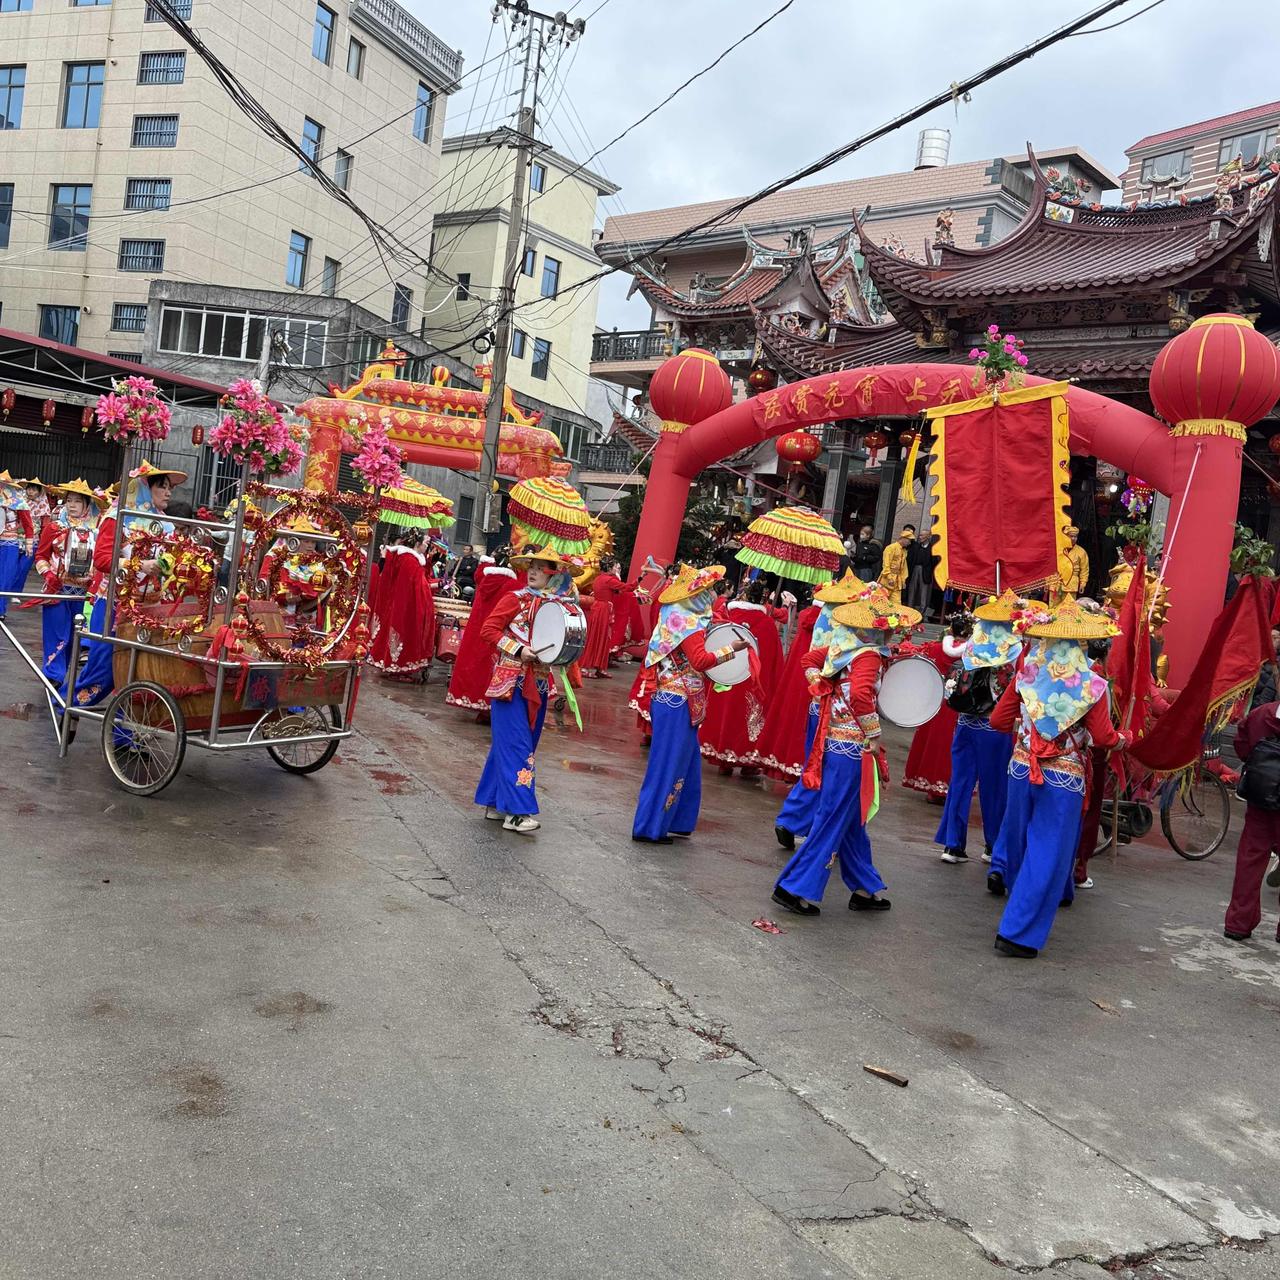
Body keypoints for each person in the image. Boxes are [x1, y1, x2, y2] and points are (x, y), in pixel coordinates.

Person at [987, 601, 1127, 958]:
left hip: (1021, 768)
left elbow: (998, 722)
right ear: (1080, 644)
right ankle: (1018, 931)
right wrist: (1124, 739)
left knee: (1020, 843)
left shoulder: (1026, 677)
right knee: (1048, 852)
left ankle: (1017, 913)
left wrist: (1027, 730)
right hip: (1063, 778)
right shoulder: (1093, 685)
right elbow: (1104, 737)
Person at [772, 587, 921, 915]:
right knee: (834, 816)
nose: (891, 630)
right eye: (888, 626)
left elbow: (809, 660)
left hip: (833, 743)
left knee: (852, 817)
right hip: (851, 747)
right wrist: (874, 732)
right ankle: (794, 886)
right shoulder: (867, 655)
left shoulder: (846, 646)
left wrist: (822, 687)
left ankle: (864, 887)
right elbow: (861, 696)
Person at [631, 563, 750, 844]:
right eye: (708, 591)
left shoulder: (678, 615)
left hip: (676, 699)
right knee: (668, 765)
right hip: (678, 701)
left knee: (684, 763)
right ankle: (649, 827)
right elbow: (701, 661)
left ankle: (678, 820)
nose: (711, 596)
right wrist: (729, 650)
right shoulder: (689, 626)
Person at [474, 546, 577, 834]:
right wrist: (518, 649)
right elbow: (488, 630)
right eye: (530, 565)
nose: (532, 571)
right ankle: (517, 813)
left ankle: (494, 801)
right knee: (518, 746)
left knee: (518, 744)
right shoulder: (514, 599)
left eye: (541, 566)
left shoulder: (558, 607)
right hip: (510, 683)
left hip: (540, 684)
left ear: (555, 573)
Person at [71, 461, 186, 708]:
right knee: (105, 669)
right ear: (144, 487)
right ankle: (70, 707)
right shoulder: (117, 518)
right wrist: (138, 565)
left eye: (170, 488)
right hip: (114, 606)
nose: (168, 493)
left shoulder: (166, 524)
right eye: (162, 487)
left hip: (149, 610)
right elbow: (102, 559)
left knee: (139, 673)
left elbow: (173, 561)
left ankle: (124, 737)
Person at [770, 570, 865, 847]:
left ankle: (797, 820)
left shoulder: (827, 615)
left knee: (816, 763)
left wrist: (818, 686)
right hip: (839, 716)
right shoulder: (852, 631)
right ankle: (803, 824)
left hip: (820, 706)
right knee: (826, 769)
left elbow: (809, 659)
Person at [935, 591, 1022, 865]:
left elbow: (949, 650)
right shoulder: (1013, 647)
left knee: (960, 783)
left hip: (965, 721)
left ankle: (953, 844)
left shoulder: (973, 644)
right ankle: (993, 845)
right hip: (994, 726)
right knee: (994, 787)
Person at [699, 578, 786, 774]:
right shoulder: (767, 623)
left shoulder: (730, 616)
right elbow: (775, 659)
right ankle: (748, 764)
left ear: (744, 595)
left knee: (726, 715)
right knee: (750, 719)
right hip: (754, 681)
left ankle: (723, 759)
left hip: (728, 674)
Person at [29, 479, 101, 686]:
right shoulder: (54, 528)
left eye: (78, 501)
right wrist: (49, 576)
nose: (72, 505)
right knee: (57, 634)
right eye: (69, 500)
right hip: (57, 590)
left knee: (72, 637)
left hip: (83, 594)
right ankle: (53, 675)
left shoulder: (95, 532)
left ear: (87, 505)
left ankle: (63, 673)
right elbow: (40, 557)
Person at [1223, 697, 1280, 942]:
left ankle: (1238, 922)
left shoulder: (1261, 714)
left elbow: (1241, 744)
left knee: (1250, 860)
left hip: (1260, 798)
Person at [901, 616, 969, 802]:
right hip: (961, 704)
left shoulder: (935, 648)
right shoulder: (975, 653)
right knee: (954, 745)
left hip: (937, 701)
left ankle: (930, 785)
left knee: (933, 742)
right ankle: (950, 787)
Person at [446, 551, 519, 712]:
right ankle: (489, 706)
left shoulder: (484, 577)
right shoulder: (514, 586)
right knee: (492, 668)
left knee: (475, 664)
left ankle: (473, 700)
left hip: (478, 629)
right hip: (498, 632)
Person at [368, 532, 433, 679]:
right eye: (425, 543)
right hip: (406, 606)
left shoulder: (408, 558)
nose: (426, 546)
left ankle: (396, 665)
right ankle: (398, 667)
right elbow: (411, 587)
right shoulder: (409, 560)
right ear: (417, 543)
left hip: (404, 604)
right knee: (404, 634)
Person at [0, 470, 35, 619]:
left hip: (10, 544)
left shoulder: (18, 502)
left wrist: (29, 543)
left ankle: (0, 610)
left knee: (6, 578)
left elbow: (28, 525)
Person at [581, 557, 624, 678]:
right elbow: (626, 588)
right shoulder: (607, 579)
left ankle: (600, 667)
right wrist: (640, 577)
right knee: (596, 637)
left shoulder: (604, 578)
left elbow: (618, 592)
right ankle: (585, 667)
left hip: (604, 610)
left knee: (604, 638)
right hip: (601, 610)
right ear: (609, 568)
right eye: (616, 567)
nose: (617, 569)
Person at [1050, 524, 1090, 603]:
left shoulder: (1081, 552)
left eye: (1075, 536)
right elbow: (1050, 567)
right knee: (1053, 608)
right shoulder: (1057, 549)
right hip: (1055, 582)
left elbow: (1084, 569)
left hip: (1072, 583)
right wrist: (1046, 582)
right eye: (1071, 536)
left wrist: (1083, 583)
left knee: (1068, 608)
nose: (1073, 538)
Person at [879, 526, 914, 606]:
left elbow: (904, 568)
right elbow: (886, 564)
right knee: (882, 601)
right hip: (887, 579)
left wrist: (903, 580)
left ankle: (893, 618)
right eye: (909, 540)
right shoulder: (890, 548)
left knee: (896, 604)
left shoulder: (904, 551)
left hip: (897, 581)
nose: (910, 543)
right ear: (903, 538)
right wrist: (889, 577)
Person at [905, 531, 934, 615]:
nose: (919, 537)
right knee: (912, 589)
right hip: (915, 569)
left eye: (922, 535)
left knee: (923, 592)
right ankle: (909, 610)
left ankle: (922, 612)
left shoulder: (932, 548)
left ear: (928, 536)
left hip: (925, 571)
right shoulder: (916, 547)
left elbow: (934, 561)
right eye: (919, 535)